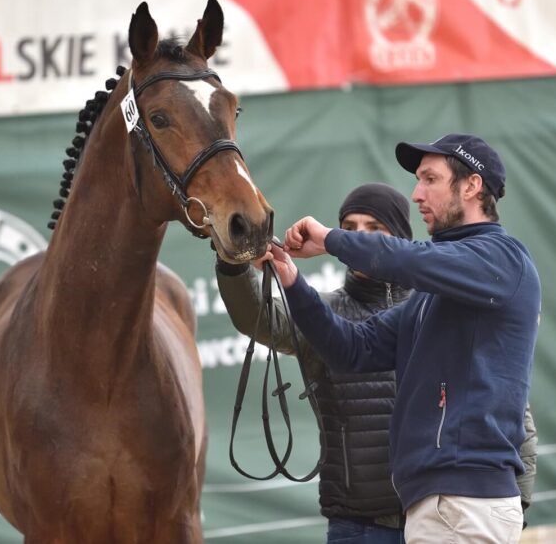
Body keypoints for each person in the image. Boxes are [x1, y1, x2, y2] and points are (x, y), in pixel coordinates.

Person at [217, 179, 538, 543]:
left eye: (374, 230)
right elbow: (258, 315)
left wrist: (515, 504)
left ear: (395, 239)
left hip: (446, 510)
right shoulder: (323, 312)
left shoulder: (443, 303)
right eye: (350, 229)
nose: (359, 239)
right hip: (361, 525)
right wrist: (235, 262)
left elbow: (513, 412)